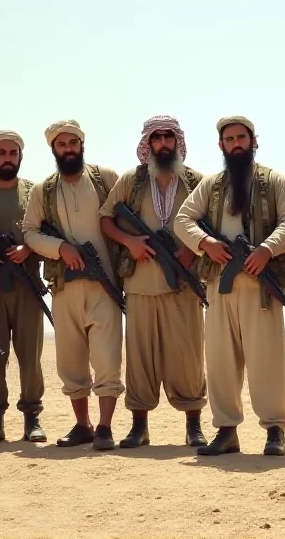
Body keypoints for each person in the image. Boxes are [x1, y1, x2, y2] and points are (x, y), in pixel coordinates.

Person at [174, 115, 285, 457]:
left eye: (242, 137)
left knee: (267, 360)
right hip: (219, 285)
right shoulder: (212, 184)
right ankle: (226, 430)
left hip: (261, 286)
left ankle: (275, 430)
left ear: (253, 141)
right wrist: (206, 244)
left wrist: (267, 249)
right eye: (229, 139)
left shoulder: (274, 181)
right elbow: (183, 220)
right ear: (221, 145)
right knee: (220, 361)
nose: (236, 143)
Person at [98, 115, 208, 448]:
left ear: (177, 141)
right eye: (156, 137)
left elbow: (211, 226)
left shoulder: (196, 181)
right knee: (140, 357)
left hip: (184, 285)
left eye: (168, 137)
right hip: (140, 284)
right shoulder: (133, 179)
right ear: (148, 142)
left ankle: (193, 425)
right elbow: (105, 219)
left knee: (188, 357)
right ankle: (138, 426)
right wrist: (130, 242)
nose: (163, 143)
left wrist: (192, 252)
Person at [21, 119, 124, 451]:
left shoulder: (106, 179)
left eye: (73, 143)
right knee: (71, 359)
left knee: (107, 358)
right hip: (64, 286)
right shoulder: (43, 190)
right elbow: (30, 232)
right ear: (53, 149)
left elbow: (125, 216)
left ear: (82, 144)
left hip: (105, 285)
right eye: (61, 145)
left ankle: (105, 426)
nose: (68, 149)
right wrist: (60, 249)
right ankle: (83, 425)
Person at [0, 130, 47, 446]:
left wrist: (28, 250)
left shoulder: (35, 192)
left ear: (20, 156)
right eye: (1, 152)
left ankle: (32, 418)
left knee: (30, 355)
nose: (7, 157)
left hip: (26, 287)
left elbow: (48, 232)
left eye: (12, 152)